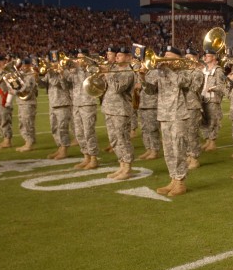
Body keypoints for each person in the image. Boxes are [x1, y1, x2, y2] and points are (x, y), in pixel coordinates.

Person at [140, 45, 192, 197]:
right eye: (165, 55)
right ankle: (173, 179)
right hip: (164, 114)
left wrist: (168, 70)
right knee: (168, 150)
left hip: (178, 113)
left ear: (177, 59)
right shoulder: (159, 72)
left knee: (179, 148)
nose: (165, 58)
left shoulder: (185, 71)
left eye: (169, 56)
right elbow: (150, 91)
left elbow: (182, 83)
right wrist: (143, 77)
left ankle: (181, 182)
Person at [102, 46, 136, 180]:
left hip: (121, 110)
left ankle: (127, 167)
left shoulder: (128, 72)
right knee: (114, 139)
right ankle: (121, 166)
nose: (117, 57)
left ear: (128, 57)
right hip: (109, 108)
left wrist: (107, 73)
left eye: (120, 55)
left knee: (123, 139)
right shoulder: (114, 70)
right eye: (117, 55)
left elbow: (117, 88)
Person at [63, 49, 100, 169]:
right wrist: (63, 70)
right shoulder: (74, 70)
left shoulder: (92, 69)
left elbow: (92, 80)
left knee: (89, 132)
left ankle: (94, 158)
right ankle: (86, 156)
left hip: (88, 104)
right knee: (79, 133)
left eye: (81, 58)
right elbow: (65, 83)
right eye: (78, 57)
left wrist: (82, 67)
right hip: (76, 104)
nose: (78, 60)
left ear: (87, 58)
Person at [39, 51, 71, 159]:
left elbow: (59, 83)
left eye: (55, 61)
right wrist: (36, 78)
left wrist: (54, 72)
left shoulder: (64, 71)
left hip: (63, 103)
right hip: (52, 103)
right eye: (51, 61)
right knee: (54, 128)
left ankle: (64, 149)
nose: (53, 63)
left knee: (63, 128)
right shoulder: (50, 72)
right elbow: (43, 85)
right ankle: (59, 147)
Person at [200, 48, 226, 152]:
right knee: (204, 121)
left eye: (208, 56)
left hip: (213, 99)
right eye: (204, 55)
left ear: (214, 57)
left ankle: (212, 142)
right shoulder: (204, 69)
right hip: (203, 98)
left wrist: (212, 88)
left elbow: (222, 86)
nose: (205, 57)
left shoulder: (218, 70)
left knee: (213, 121)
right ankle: (207, 140)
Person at [183, 47, 205, 170]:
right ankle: (188, 156)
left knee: (192, 133)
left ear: (195, 58)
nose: (187, 59)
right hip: (182, 106)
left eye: (189, 57)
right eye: (185, 57)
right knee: (185, 133)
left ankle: (194, 158)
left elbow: (194, 88)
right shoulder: (183, 72)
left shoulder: (197, 72)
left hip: (192, 106)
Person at [136, 67, 161, 160]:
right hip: (142, 103)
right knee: (144, 129)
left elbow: (154, 87)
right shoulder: (142, 71)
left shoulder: (155, 72)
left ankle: (155, 150)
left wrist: (141, 84)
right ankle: (148, 148)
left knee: (152, 128)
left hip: (152, 103)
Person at [15, 57, 38, 152]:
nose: (23, 67)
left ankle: (29, 143)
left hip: (28, 103)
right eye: (22, 65)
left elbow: (26, 89)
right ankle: (28, 142)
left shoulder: (31, 76)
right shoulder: (22, 75)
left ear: (29, 65)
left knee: (27, 123)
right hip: (22, 103)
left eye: (25, 65)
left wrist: (15, 90)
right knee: (23, 122)